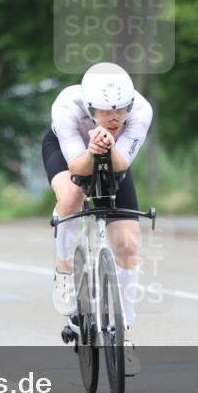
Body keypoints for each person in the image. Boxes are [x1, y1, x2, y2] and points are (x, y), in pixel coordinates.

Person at [42, 62, 152, 375]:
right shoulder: (66, 107)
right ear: (90, 108)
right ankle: (64, 268)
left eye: (121, 109)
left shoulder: (141, 110)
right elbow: (78, 167)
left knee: (128, 246)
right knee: (73, 198)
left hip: (113, 159)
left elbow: (121, 164)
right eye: (106, 111)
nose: (115, 117)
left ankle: (125, 333)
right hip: (70, 152)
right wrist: (92, 152)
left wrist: (107, 145)